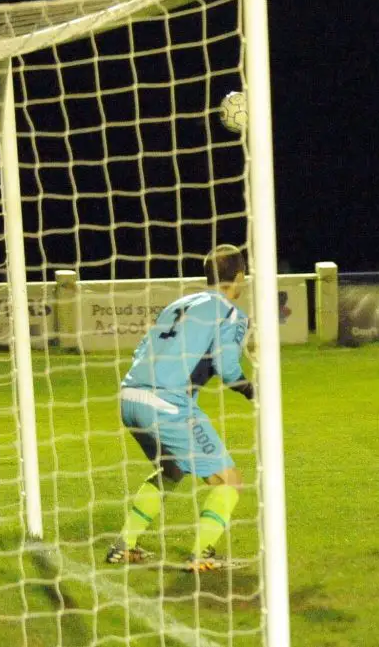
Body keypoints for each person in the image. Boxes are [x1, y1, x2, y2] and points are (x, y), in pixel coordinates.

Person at [106, 244, 254, 572]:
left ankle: (124, 545)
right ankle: (201, 554)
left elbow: (143, 347)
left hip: (130, 398)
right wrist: (250, 389)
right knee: (229, 480)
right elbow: (226, 366)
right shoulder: (230, 313)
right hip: (166, 404)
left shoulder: (179, 304)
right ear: (240, 276)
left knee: (173, 470)